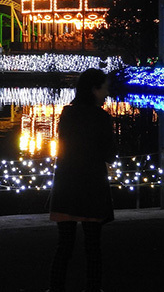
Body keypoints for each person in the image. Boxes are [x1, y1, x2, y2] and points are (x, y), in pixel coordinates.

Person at [47, 68, 115, 292]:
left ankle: (56, 287)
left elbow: (63, 145)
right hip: (91, 186)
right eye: (104, 88)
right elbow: (109, 154)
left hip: (67, 183)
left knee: (64, 244)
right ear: (94, 90)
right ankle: (93, 288)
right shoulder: (102, 118)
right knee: (92, 245)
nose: (107, 93)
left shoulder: (67, 113)